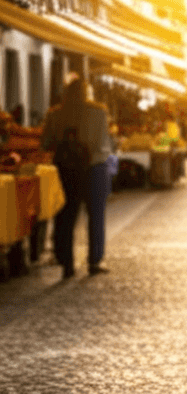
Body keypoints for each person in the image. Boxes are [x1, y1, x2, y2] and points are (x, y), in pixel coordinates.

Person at [41, 76, 115, 279]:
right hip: (95, 168)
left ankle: (67, 264)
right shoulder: (99, 112)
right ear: (87, 92)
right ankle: (94, 261)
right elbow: (105, 143)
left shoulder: (55, 114)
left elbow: (45, 143)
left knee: (65, 217)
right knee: (96, 217)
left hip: (66, 169)